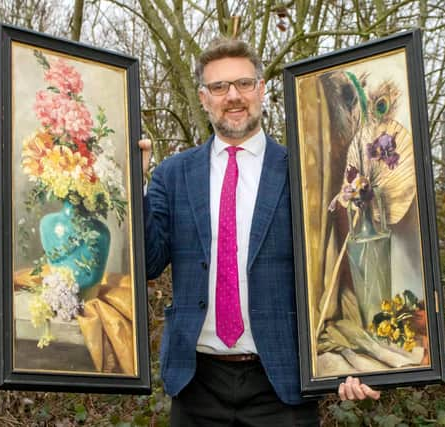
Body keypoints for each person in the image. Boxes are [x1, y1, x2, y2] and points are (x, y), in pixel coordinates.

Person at [139, 38, 380, 427]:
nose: (233, 96)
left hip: (282, 381)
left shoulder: (305, 172)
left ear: (262, 89)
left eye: (244, 84)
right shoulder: (172, 174)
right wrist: (135, 185)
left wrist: (357, 358)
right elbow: (148, 263)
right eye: (219, 87)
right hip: (196, 382)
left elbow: (341, 269)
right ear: (203, 98)